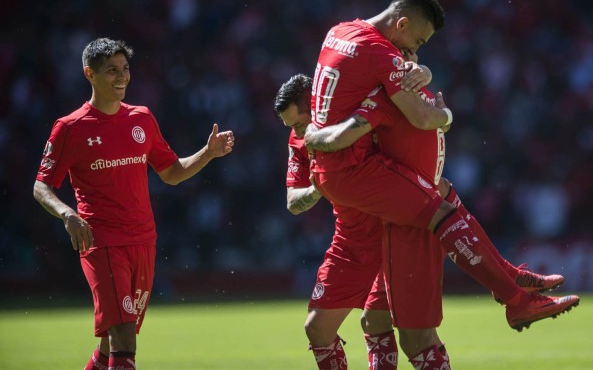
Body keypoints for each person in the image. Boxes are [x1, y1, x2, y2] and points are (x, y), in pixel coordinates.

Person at [304, 0, 578, 346]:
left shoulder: (340, 32)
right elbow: (420, 118)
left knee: (441, 190)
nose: (415, 50)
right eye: (417, 40)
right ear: (401, 23)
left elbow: (391, 71)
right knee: (440, 214)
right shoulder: (380, 52)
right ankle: (516, 300)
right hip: (353, 170)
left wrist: (422, 70)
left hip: (345, 168)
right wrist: (446, 115)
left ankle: (512, 279)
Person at [33, 38, 235, 370]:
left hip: (143, 242)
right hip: (103, 244)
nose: (122, 77)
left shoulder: (141, 118)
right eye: (112, 71)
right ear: (90, 74)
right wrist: (67, 213)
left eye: (125, 69)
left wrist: (208, 153)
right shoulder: (70, 128)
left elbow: (171, 172)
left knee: (110, 344)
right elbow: (42, 186)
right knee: (125, 337)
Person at [274, 74, 399, 370]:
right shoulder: (298, 140)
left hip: (391, 231)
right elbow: (293, 202)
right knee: (317, 328)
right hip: (349, 241)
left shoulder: (356, 115)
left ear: (315, 105)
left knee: (375, 319)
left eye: (299, 124)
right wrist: (319, 188)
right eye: (291, 127)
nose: (297, 133)